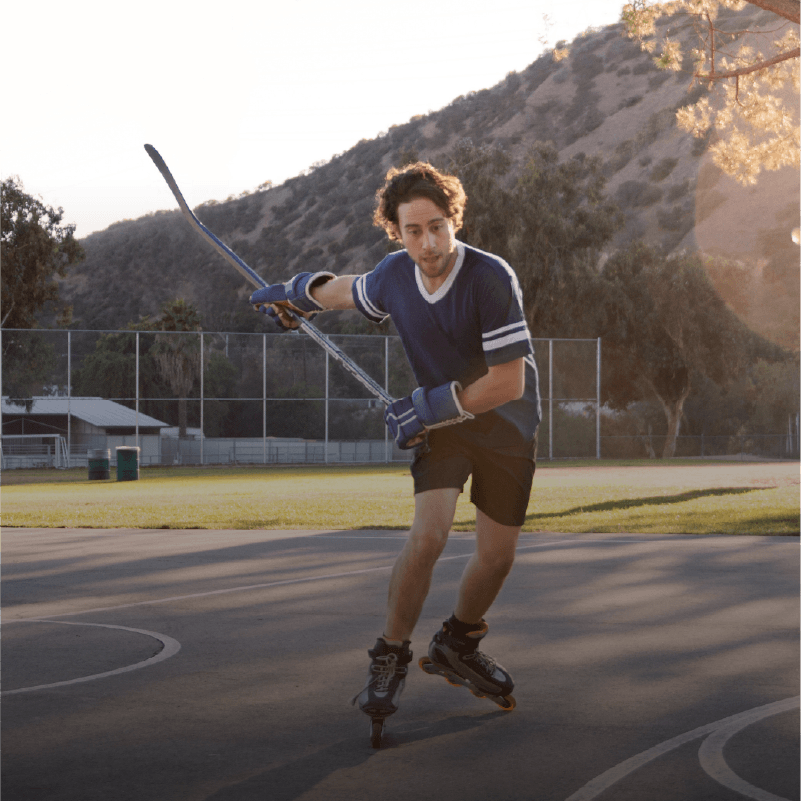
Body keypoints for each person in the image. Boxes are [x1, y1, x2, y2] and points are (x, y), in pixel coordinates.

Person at [250, 162, 541, 725]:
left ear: (453, 220)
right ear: (396, 232)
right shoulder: (393, 275)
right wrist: (298, 295)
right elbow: (345, 291)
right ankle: (391, 653)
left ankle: (457, 643)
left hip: (505, 423)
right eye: (413, 231)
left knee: (496, 557)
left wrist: (430, 407)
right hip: (444, 431)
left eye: (437, 227)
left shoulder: (489, 276)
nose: (428, 243)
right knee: (427, 537)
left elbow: (509, 381)